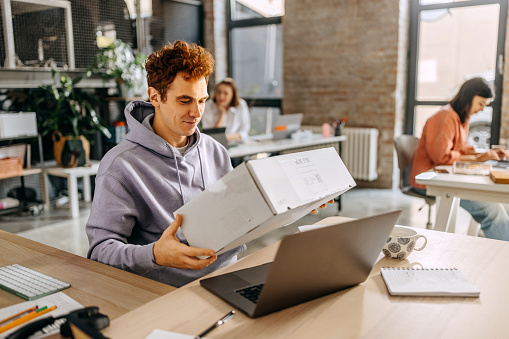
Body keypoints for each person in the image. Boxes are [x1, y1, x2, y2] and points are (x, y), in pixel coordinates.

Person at [86, 41, 246, 287]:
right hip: (170, 291)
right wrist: (155, 255)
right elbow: (100, 252)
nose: (197, 112)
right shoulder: (120, 165)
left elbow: (240, 214)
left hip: (229, 274)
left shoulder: (216, 151)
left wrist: (288, 207)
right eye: (185, 101)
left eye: (202, 100)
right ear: (155, 96)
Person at [409, 77, 509, 241]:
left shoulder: (461, 118)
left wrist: (486, 154)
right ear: (469, 97)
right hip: (430, 180)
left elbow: (460, 150)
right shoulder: (446, 116)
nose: (481, 110)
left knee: (503, 205)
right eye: (480, 104)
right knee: (493, 211)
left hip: (445, 176)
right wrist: (480, 158)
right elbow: (441, 157)